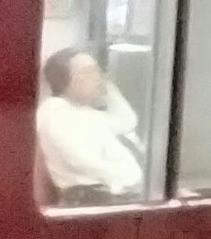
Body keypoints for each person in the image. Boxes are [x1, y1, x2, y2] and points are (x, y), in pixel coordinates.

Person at [35, 46, 146, 204]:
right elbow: (80, 159)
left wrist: (108, 89)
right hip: (88, 198)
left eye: (97, 70)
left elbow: (128, 122)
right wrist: (129, 178)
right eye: (88, 72)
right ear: (66, 80)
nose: (98, 77)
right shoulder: (54, 112)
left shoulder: (86, 112)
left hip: (116, 193)